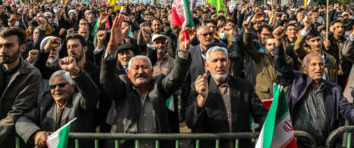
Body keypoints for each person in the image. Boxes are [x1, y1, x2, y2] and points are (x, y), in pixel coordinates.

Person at [100, 15, 194, 148]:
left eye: (144, 67)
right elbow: (106, 79)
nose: (140, 71)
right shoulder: (122, 87)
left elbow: (176, 78)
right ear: (128, 73)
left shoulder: (159, 85)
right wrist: (111, 47)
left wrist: (184, 50)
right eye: (136, 68)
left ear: (151, 72)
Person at [273, 26, 354, 147]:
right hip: (298, 142)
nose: (318, 68)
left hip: (326, 143)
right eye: (314, 64)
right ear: (305, 67)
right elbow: (281, 66)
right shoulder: (297, 80)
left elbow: (346, 108)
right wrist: (278, 43)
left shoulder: (334, 89)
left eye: (321, 64)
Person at [185, 46, 267, 148]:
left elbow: (261, 114)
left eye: (223, 60)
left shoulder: (244, 86)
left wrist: (268, 137)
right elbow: (190, 122)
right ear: (207, 65)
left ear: (229, 63)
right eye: (215, 61)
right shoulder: (198, 86)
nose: (219, 65)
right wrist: (202, 97)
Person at [15, 66, 99, 148]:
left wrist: (76, 72)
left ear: (72, 86)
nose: (57, 89)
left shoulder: (79, 100)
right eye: (52, 86)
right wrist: (35, 134)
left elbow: (91, 93)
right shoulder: (45, 103)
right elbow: (22, 120)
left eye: (61, 85)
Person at [0, 27, 41, 147]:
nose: (3, 50)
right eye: (0, 46)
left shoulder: (31, 74)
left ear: (23, 48)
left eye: (9, 46)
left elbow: (16, 112)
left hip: (10, 140)